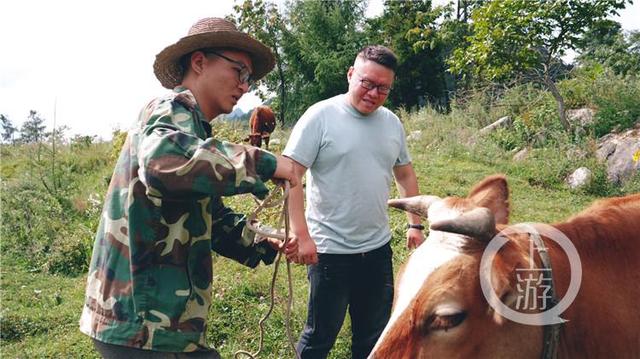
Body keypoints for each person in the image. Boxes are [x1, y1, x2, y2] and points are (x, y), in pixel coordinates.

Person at [79, 17, 299, 358]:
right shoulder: (169, 110)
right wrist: (265, 163)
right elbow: (161, 164)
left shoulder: (195, 131)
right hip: (143, 327)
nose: (244, 86)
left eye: (249, 78)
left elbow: (208, 219)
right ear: (199, 62)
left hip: (158, 326)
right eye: (239, 71)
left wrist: (261, 242)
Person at [283, 45, 426, 359]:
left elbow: (405, 176)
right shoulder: (320, 116)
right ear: (351, 75)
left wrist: (414, 223)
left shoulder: (391, 123)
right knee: (320, 336)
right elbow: (290, 175)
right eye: (367, 83)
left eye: (383, 88)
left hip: (377, 250)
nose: (374, 93)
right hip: (329, 252)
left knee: (373, 337)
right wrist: (301, 234)